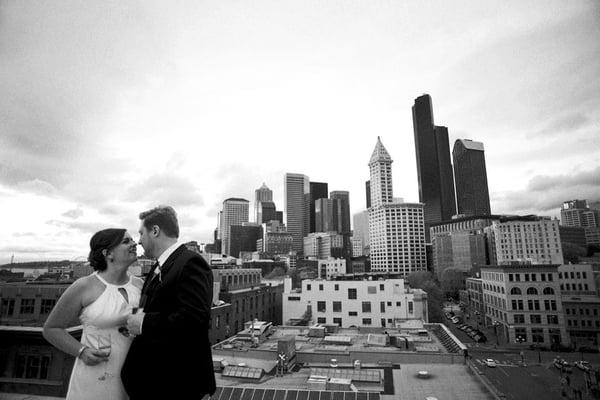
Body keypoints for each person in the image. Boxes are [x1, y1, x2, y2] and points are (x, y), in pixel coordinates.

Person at [121, 206, 216, 399]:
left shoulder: (190, 263)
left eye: (141, 233)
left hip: (175, 386)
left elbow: (194, 319)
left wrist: (144, 323)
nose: (139, 241)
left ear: (155, 231)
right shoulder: (159, 266)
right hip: (153, 384)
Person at [43, 228, 142, 400]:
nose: (135, 243)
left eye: (133, 240)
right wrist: (81, 351)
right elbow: (51, 329)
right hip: (95, 375)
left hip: (134, 377)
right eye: (126, 241)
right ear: (108, 253)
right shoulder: (84, 286)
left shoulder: (140, 285)